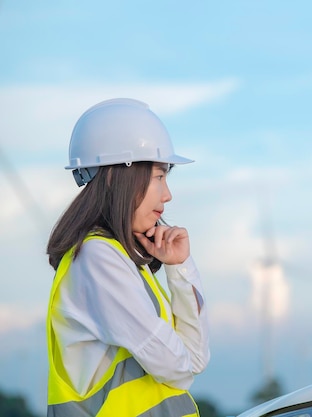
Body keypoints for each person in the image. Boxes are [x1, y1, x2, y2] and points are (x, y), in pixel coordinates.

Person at [46, 98, 210, 417]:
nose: (168, 195)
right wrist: (182, 362)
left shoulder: (123, 260)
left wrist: (179, 268)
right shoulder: (97, 258)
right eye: (159, 176)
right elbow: (176, 367)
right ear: (115, 176)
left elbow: (195, 360)